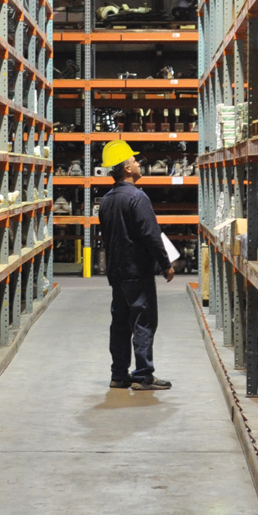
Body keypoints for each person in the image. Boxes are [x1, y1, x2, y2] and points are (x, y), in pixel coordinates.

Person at [95, 139, 175, 390]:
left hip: (117, 272)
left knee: (120, 323)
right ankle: (142, 375)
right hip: (137, 271)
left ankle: (119, 375)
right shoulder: (138, 198)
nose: (139, 163)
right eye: (134, 160)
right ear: (127, 169)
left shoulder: (106, 200)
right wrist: (166, 264)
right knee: (143, 321)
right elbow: (151, 235)